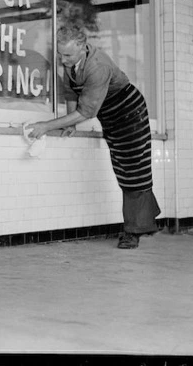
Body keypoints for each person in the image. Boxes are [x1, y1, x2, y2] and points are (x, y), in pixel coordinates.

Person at [26, 25, 160, 249]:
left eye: (67, 55)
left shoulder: (97, 66)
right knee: (123, 169)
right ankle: (145, 222)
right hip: (111, 117)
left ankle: (133, 232)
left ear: (82, 47)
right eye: (60, 54)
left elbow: (87, 112)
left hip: (130, 113)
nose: (62, 59)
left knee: (134, 170)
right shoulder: (71, 61)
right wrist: (71, 122)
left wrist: (46, 126)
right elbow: (71, 92)